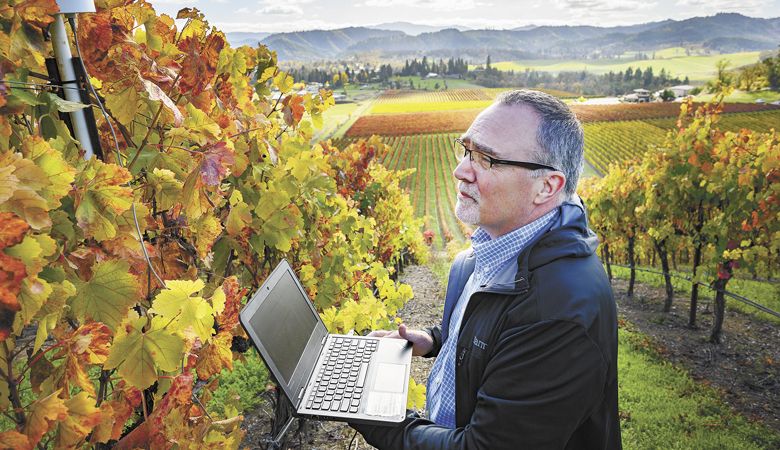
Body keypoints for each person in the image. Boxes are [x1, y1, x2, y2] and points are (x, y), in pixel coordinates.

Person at [351, 90, 621, 449]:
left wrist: (375, 416)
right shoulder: (497, 250)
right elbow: (495, 332)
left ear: (546, 186)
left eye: (487, 159)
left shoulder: (559, 314)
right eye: (467, 151)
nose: (460, 170)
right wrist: (435, 340)